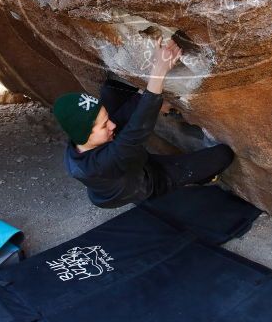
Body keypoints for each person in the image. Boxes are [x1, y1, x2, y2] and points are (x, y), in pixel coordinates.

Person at [52, 37, 235, 209]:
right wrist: (159, 71)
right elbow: (135, 131)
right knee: (223, 155)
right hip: (144, 184)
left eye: (107, 120)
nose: (112, 125)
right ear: (85, 135)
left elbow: (123, 120)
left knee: (113, 92)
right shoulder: (99, 165)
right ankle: (200, 179)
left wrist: (146, 92)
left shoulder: (81, 139)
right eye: (103, 125)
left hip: (129, 166)